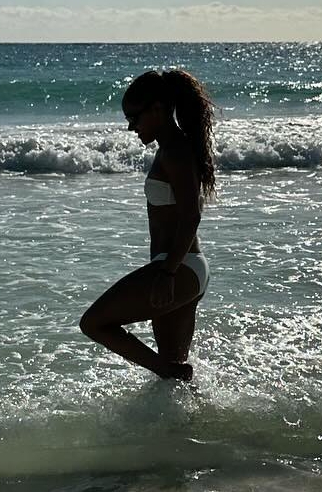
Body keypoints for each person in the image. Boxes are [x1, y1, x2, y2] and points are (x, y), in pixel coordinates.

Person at [80, 69, 215, 381]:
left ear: (157, 109)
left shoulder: (176, 151)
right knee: (174, 382)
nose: (131, 127)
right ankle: (184, 422)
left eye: (134, 118)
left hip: (177, 267)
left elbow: (191, 216)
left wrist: (168, 272)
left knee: (94, 323)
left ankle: (169, 371)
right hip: (182, 267)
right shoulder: (172, 149)